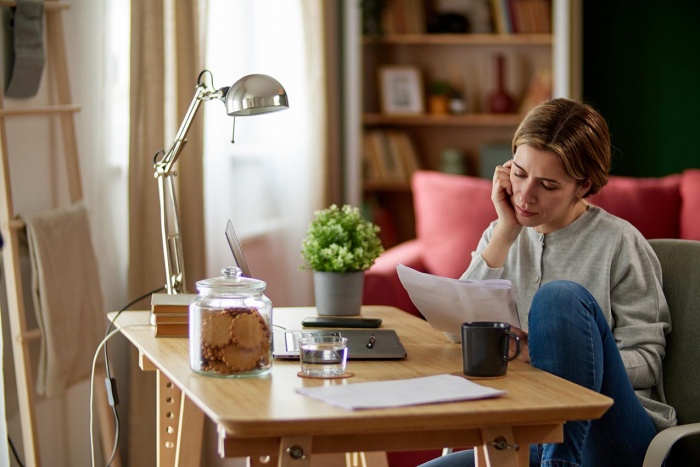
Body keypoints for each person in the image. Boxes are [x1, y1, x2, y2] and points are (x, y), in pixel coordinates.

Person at [420, 98, 676, 467]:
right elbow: (455, 331)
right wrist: (505, 232)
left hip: (613, 435)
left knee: (559, 297)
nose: (524, 196)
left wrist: (559, 358)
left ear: (582, 185)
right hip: (525, 433)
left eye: (548, 184)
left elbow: (648, 363)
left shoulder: (620, 242)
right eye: (520, 174)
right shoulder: (500, 233)